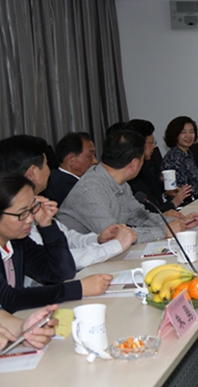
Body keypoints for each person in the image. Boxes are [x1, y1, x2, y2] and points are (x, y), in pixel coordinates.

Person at [0, 135, 136, 270]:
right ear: (33, 172)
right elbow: (57, 260)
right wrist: (114, 246)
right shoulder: (16, 220)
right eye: (46, 164)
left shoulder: (37, 204)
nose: (49, 170)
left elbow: (66, 237)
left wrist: (98, 239)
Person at [57, 130, 198, 243]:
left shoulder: (119, 182)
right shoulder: (91, 190)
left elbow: (140, 217)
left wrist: (179, 222)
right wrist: (164, 231)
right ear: (134, 163)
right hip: (78, 265)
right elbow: (114, 236)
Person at [0, 174, 111, 312]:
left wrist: (47, 225)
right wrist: (78, 289)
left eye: (32, 208)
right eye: (22, 213)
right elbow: (8, 299)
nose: (30, 219)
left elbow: (62, 272)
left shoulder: (17, 242)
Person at [125, 119, 191, 214]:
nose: (154, 146)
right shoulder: (132, 177)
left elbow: (155, 193)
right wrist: (174, 203)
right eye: (151, 142)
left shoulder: (146, 166)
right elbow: (149, 213)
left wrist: (168, 191)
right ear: (140, 145)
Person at [40, 132, 98, 205]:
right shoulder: (69, 188)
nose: (95, 161)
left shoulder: (56, 178)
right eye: (90, 156)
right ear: (70, 160)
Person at [161, 116, 198, 199]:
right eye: (183, 132)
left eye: (191, 131)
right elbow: (183, 189)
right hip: (186, 201)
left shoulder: (188, 153)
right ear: (175, 134)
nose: (188, 135)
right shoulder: (173, 157)